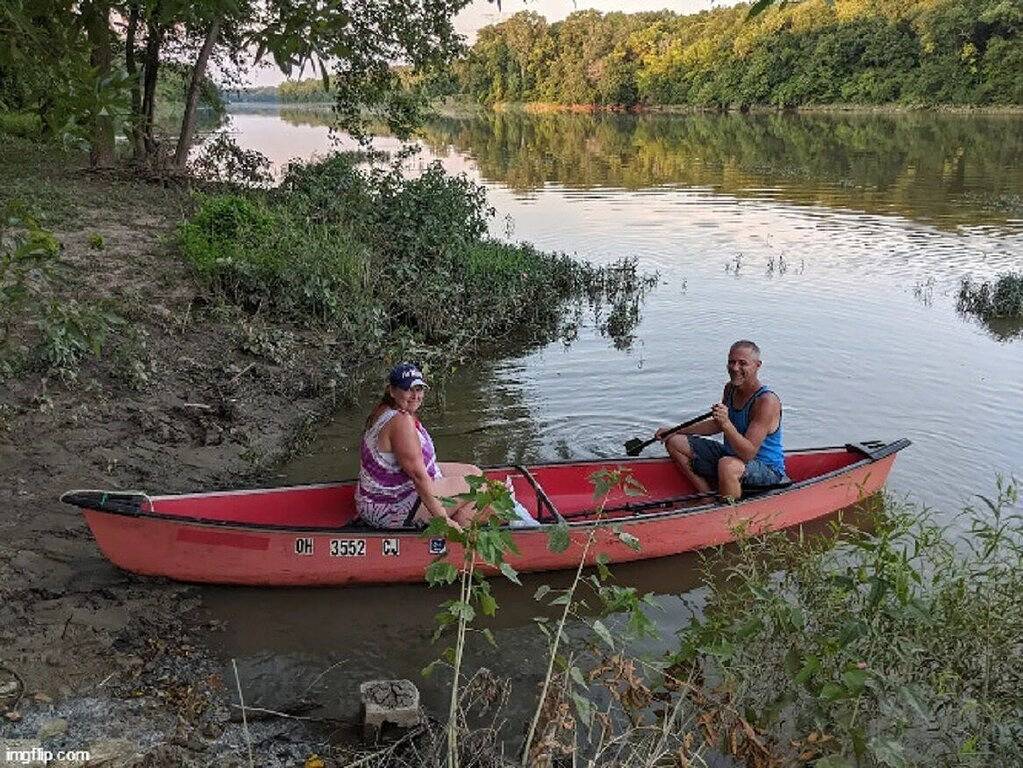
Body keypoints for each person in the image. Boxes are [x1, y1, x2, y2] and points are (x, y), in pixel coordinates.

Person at [355, 362, 486, 531]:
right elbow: (418, 477)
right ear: (392, 391)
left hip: (381, 496)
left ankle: (460, 517)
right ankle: (460, 530)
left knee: (475, 473)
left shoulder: (385, 410)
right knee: (480, 487)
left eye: (419, 389)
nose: (415, 396)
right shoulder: (400, 422)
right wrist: (443, 519)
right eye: (408, 389)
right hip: (392, 508)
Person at [656, 340, 788, 501]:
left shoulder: (766, 401)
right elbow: (716, 424)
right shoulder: (730, 388)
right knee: (674, 442)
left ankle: (728, 511)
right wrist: (674, 430)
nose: (735, 368)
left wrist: (726, 423)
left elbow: (748, 453)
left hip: (766, 469)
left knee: (727, 465)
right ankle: (707, 496)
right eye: (731, 362)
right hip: (731, 456)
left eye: (743, 363)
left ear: (757, 365)